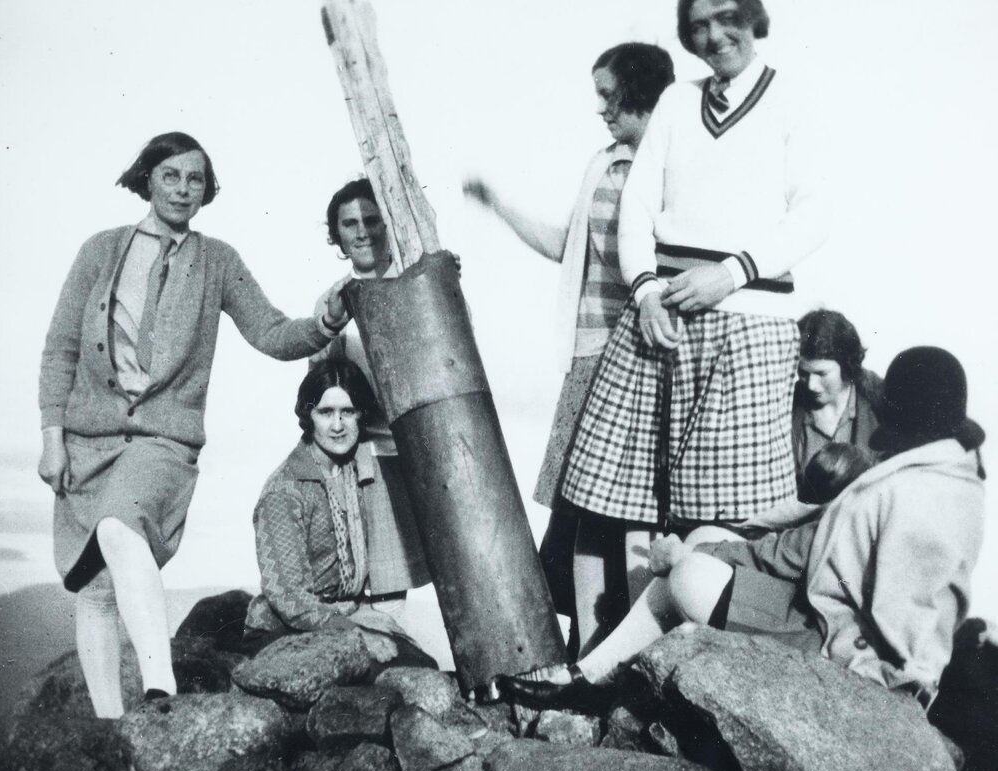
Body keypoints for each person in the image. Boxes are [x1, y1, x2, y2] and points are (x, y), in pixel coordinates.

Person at [37, 132, 348, 718]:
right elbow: (60, 350)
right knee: (96, 588)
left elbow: (271, 332)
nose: (183, 189)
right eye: (171, 175)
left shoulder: (217, 260)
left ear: (208, 190)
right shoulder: (99, 250)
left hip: (162, 439)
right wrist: (53, 436)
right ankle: (111, 724)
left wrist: (324, 322)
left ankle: (161, 694)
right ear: (147, 178)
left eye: (196, 179)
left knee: (118, 528)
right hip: (86, 439)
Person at [502, 347, 986, 712]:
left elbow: (802, 556)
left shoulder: (909, 494)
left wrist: (696, 555)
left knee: (687, 574)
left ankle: (594, 678)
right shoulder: (949, 478)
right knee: (698, 551)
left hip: (849, 659)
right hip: (840, 627)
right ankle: (597, 677)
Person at [562, 0, 829, 545]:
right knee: (619, 505)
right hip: (659, 322)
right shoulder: (676, 103)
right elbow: (636, 207)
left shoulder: (795, 98)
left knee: (727, 515)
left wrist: (731, 274)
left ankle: (705, 627)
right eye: (699, 25)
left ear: (753, 19)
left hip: (751, 326)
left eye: (726, 18)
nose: (714, 36)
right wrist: (645, 294)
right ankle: (637, 631)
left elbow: (814, 214)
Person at [464, 43, 676, 657]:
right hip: (590, 354)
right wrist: (500, 207)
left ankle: (635, 650)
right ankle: (588, 646)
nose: (603, 111)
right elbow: (570, 247)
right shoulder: (603, 164)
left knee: (637, 505)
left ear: (641, 93)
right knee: (581, 505)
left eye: (610, 97)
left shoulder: (671, 166)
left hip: (643, 355)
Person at [309, 179, 430, 613]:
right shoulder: (335, 302)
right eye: (350, 223)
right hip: (369, 459)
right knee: (382, 581)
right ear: (336, 234)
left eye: (371, 220)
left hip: (422, 454)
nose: (362, 232)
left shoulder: (419, 287)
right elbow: (318, 392)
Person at [243, 359, 425, 647]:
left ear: (361, 415)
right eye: (326, 412)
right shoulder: (285, 491)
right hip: (289, 629)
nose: (338, 425)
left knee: (416, 661)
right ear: (308, 415)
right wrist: (354, 631)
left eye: (348, 412)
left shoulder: (357, 471)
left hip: (347, 616)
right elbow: (288, 596)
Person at [794, 309, 884, 493]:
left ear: (846, 364)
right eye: (803, 373)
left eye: (821, 374)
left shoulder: (881, 406)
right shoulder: (788, 407)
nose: (811, 385)